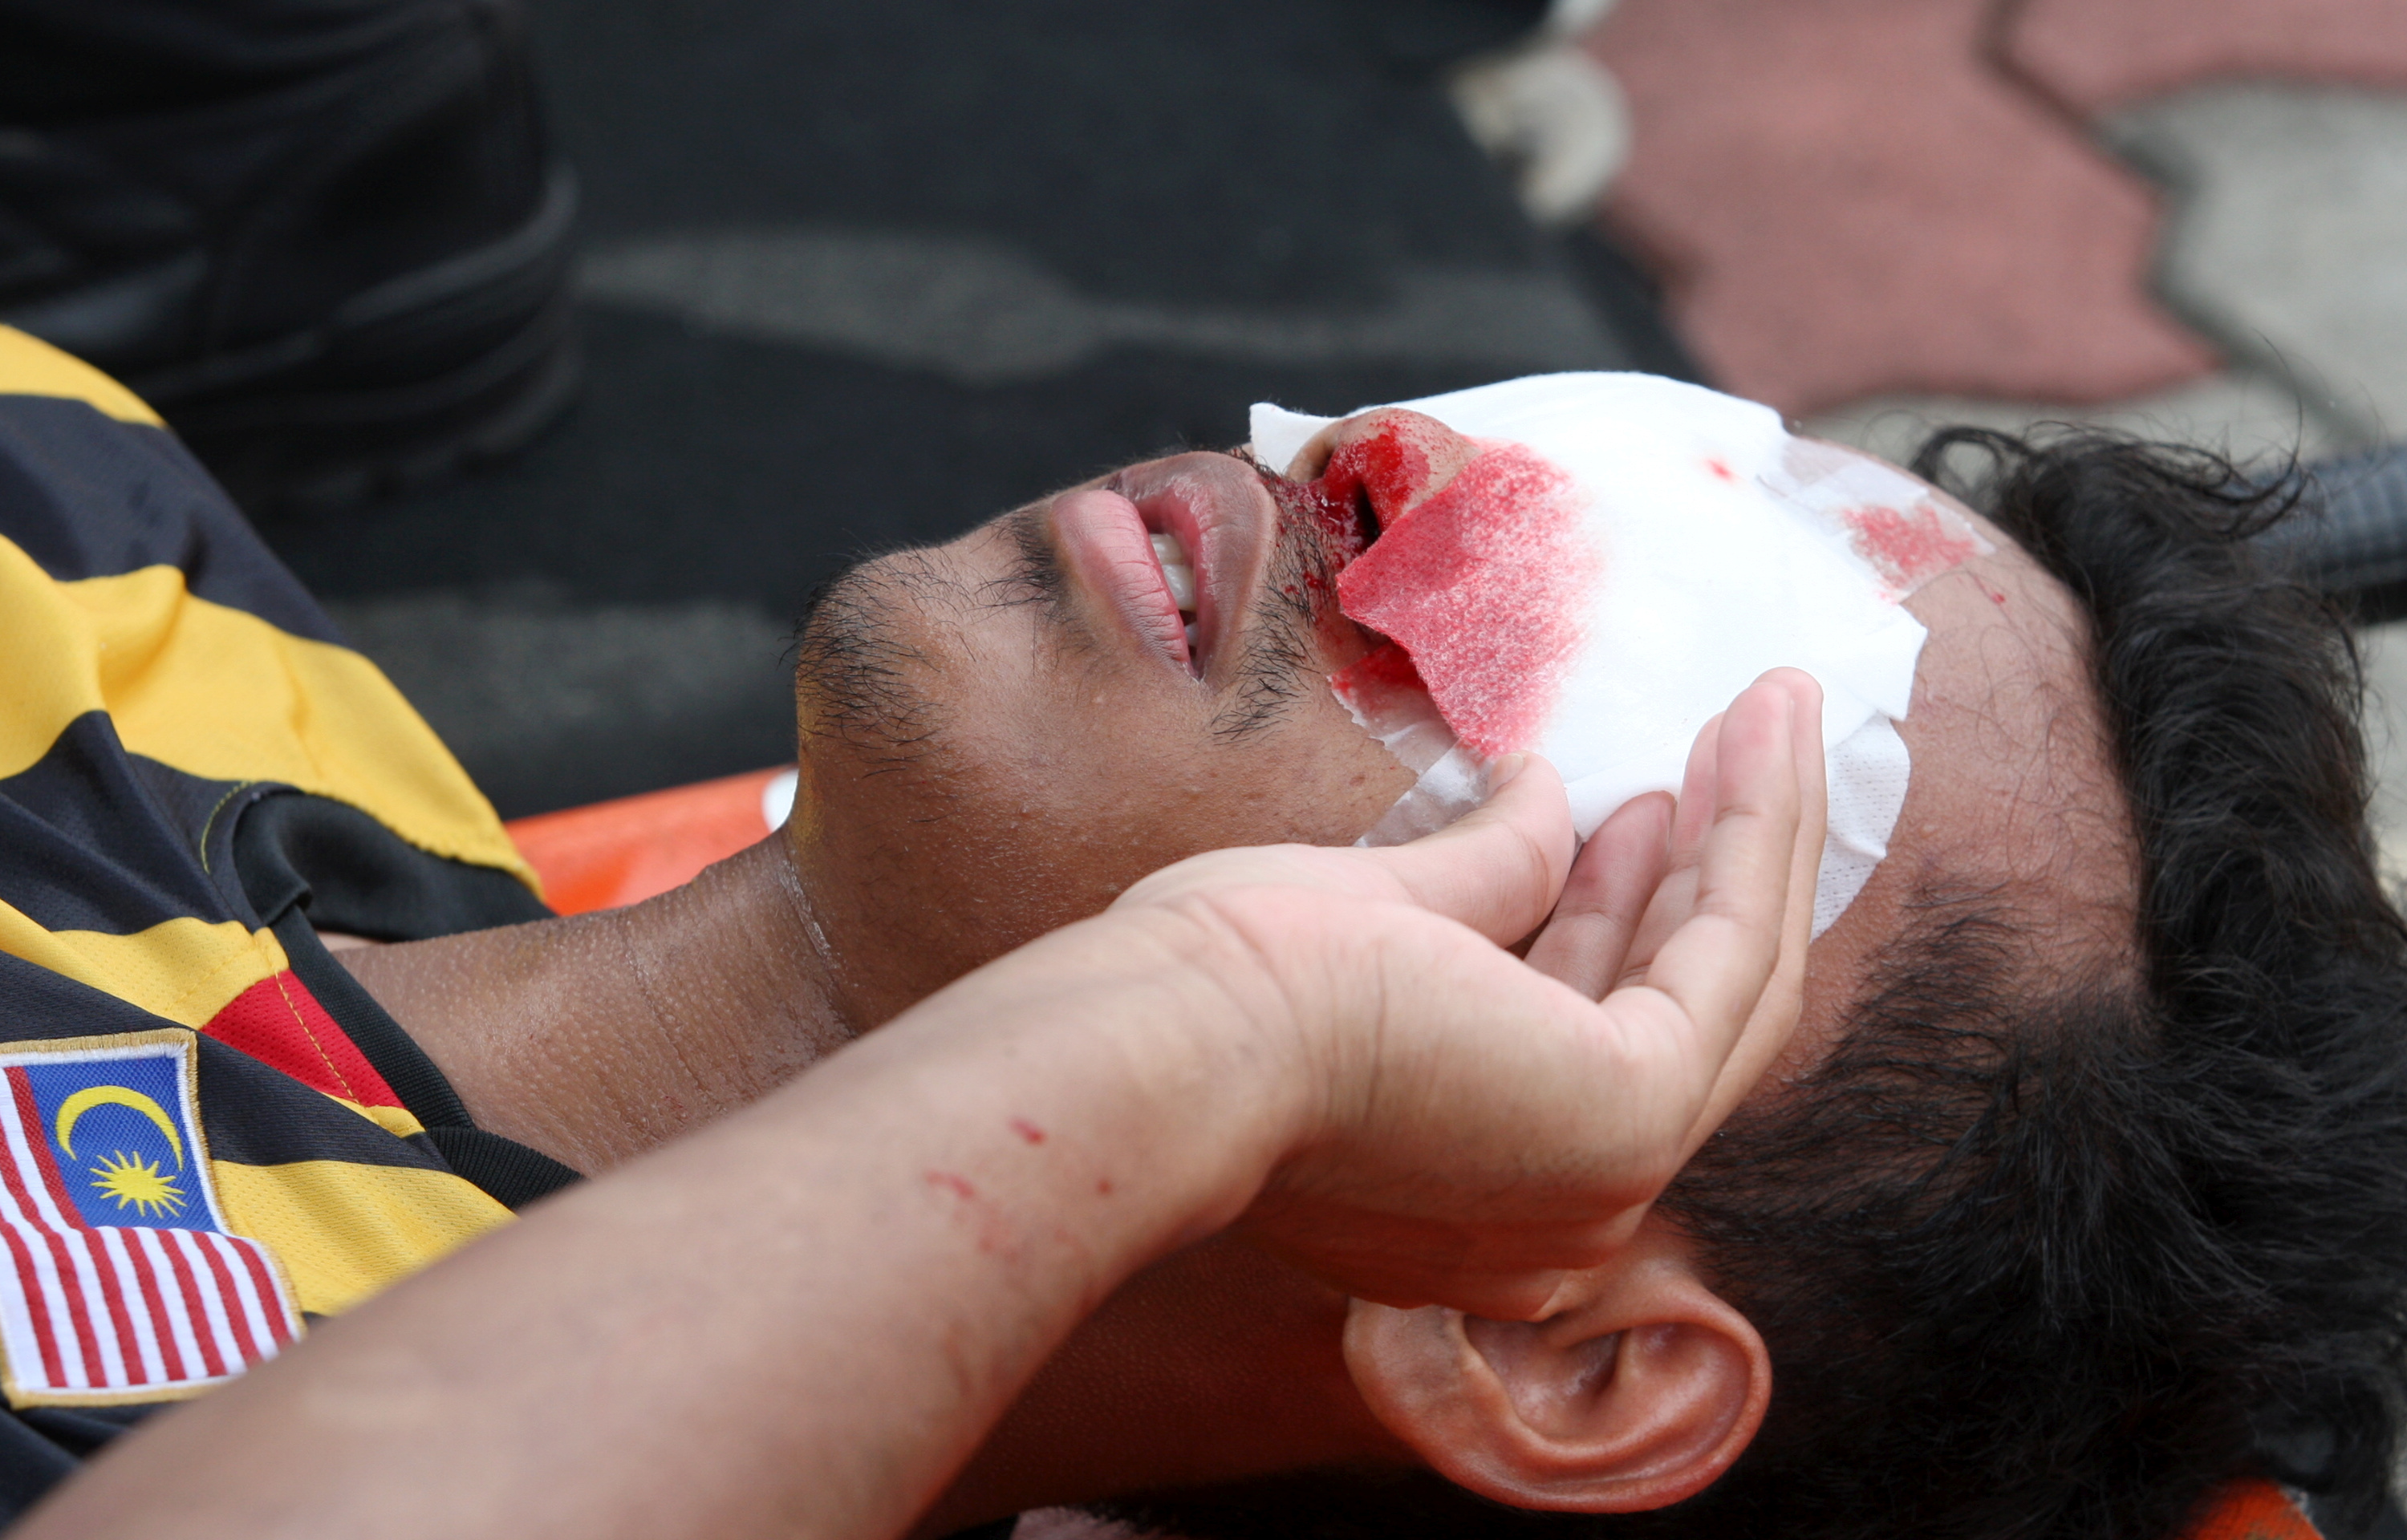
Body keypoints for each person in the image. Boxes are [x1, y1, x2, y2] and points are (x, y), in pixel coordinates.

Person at [0, 323, 2401, 1540]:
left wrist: (1206, 1036)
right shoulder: (121, 575)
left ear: (1547, 1350)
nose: (1387, 473)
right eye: (1638, 451)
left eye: (1701, 694)